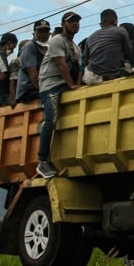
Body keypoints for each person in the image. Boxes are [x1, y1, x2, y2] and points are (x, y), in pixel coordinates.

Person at [36, 11, 83, 178]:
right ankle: (42, 161)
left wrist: (76, 86)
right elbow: (61, 64)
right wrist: (71, 84)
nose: (75, 24)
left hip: (66, 84)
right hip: (51, 85)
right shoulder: (57, 40)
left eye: (77, 21)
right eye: (71, 21)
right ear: (64, 24)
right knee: (51, 119)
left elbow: (78, 68)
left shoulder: (76, 47)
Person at [82, 9, 133, 85]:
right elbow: (129, 54)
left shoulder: (90, 37)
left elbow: (85, 62)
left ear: (101, 23)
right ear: (115, 21)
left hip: (93, 77)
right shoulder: (121, 31)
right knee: (128, 64)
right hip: (112, 74)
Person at [15, 19, 51, 104]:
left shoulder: (46, 48)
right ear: (34, 33)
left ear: (49, 33)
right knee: (51, 96)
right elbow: (31, 71)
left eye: (45, 31)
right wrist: (42, 90)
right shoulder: (30, 47)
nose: (43, 34)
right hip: (28, 90)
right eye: (40, 31)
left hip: (40, 86)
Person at [0, 32, 18, 106]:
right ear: (9, 44)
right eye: (13, 47)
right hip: (0, 95)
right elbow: (2, 76)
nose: (13, 50)